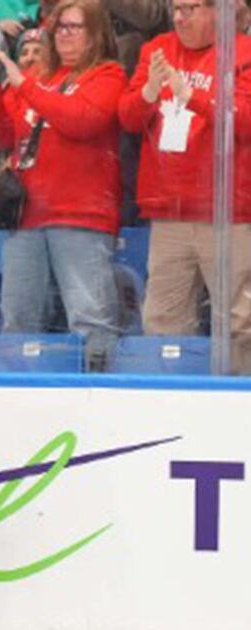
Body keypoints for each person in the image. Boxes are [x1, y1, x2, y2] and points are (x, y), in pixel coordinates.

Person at [0, 0, 125, 370]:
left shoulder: (108, 75)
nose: (64, 34)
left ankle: (99, 393)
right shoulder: (40, 79)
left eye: (74, 27)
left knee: (90, 320)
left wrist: (25, 85)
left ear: (96, 34)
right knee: (17, 320)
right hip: (28, 216)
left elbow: (81, 121)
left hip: (81, 216)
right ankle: (18, 395)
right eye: (59, 26)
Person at [118, 0, 251, 374]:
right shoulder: (156, 50)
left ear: (218, 11)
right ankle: (169, 397)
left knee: (239, 322)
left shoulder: (244, 53)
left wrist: (191, 95)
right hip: (168, 208)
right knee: (163, 319)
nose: (178, 17)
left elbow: (245, 120)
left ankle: (240, 397)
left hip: (227, 212)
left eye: (189, 8)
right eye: (175, 8)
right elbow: (127, 118)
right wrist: (149, 91)